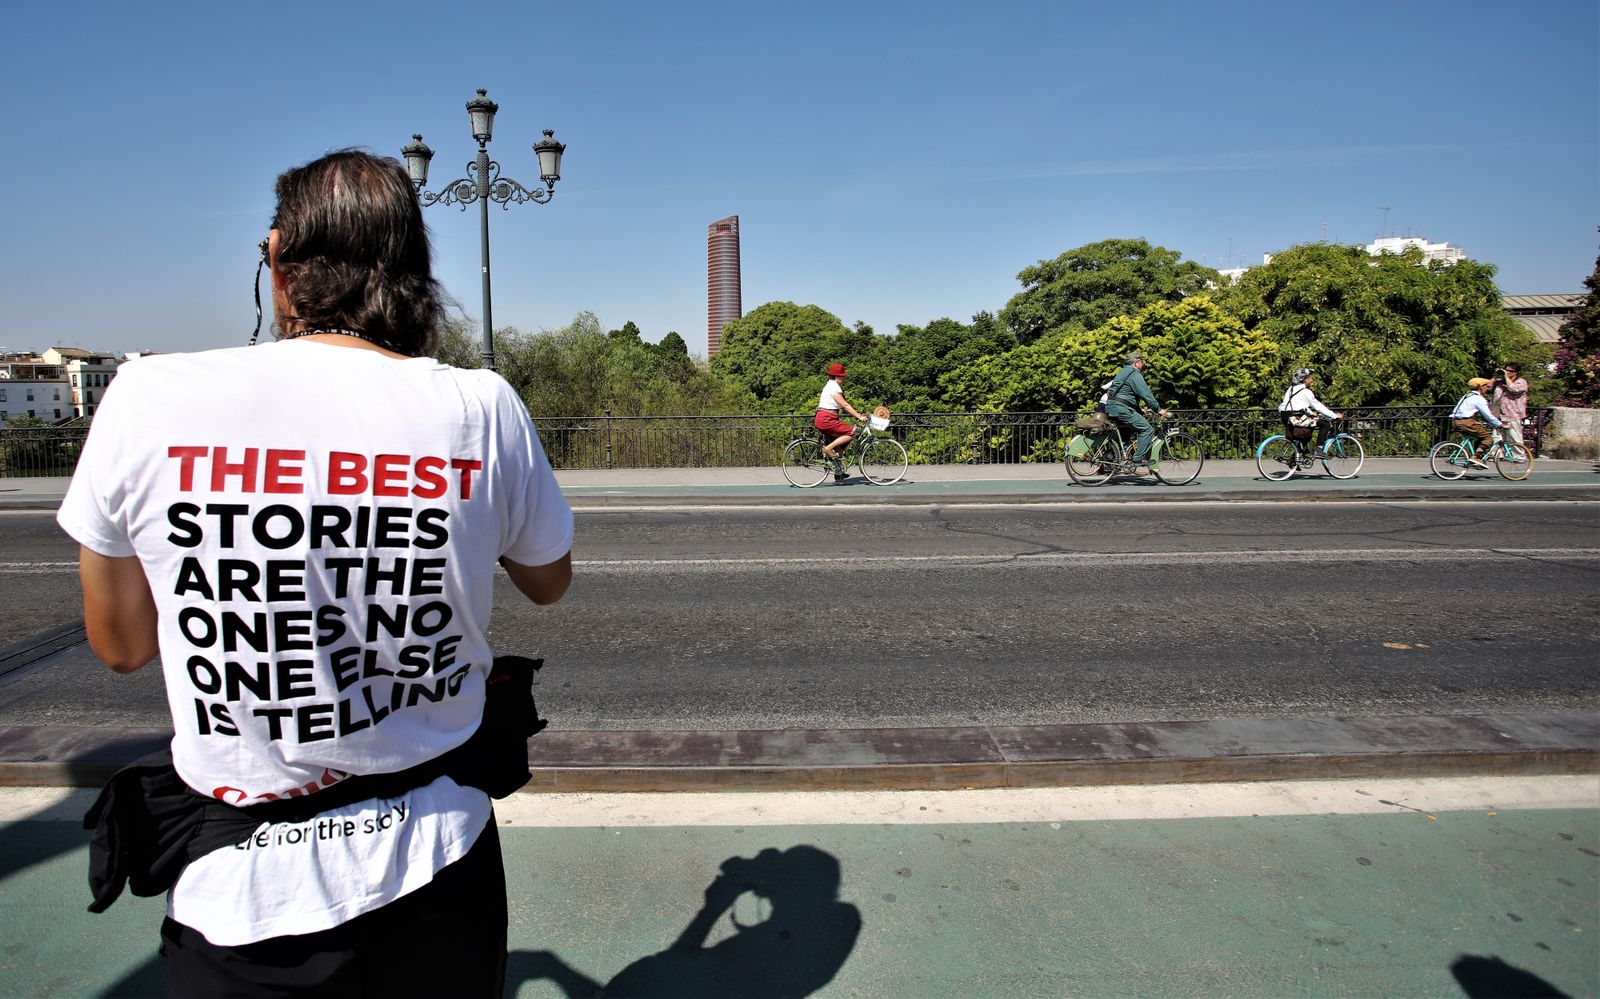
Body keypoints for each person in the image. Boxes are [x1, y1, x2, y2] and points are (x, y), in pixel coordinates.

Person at [56, 149, 574, 997]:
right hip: (439, 852)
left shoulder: (149, 394)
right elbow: (548, 580)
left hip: (241, 884)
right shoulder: (479, 404)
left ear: (277, 260)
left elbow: (119, 645)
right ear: (413, 274)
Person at [1102, 350, 1169, 472]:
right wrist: (1158, 409)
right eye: (1142, 362)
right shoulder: (1134, 374)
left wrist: (1139, 410)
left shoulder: (1124, 372)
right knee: (1147, 429)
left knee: (1126, 433)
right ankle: (1138, 458)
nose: (1143, 364)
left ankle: (1109, 459)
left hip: (1114, 407)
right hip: (1121, 409)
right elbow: (1146, 394)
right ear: (1136, 363)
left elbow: (1126, 396)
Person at [815, 362, 868, 482]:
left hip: (827, 418)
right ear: (837, 376)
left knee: (841, 445)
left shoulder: (830, 385)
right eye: (843, 376)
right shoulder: (834, 387)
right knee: (851, 433)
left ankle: (838, 472)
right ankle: (828, 449)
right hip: (826, 419)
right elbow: (844, 405)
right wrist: (859, 416)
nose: (844, 378)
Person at [1277, 368, 1344, 456]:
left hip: (1285, 415)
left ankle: (1296, 457)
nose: (1311, 380)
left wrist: (1310, 413)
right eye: (1310, 378)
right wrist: (1334, 415)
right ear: (1305, 379)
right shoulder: (1306, 392)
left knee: (1307, 433)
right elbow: (1318, 406)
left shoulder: (1290, 389)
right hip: (1297, 417)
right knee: (1325, 424)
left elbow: (1298, 404)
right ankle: (1319, 449)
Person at [1450, 377, 1507, 469]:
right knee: (1488, 438)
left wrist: (1475, 421)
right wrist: (1500, 424)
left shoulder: (1466, 396)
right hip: (1466, 422)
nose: (1487, 389)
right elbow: (1488, 415)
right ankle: (1476, 457)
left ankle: (1477, 459)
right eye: (1486, 387)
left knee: (1478, 437)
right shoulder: (1479, 399)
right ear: (1481, 387)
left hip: (1455, 421)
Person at [1491, 363, 1529, 458]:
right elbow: (1487, 386)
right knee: (1497, 436)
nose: (1507, 372)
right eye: (1506, 370)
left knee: (1514, 436)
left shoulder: (1521, 382)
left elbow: (1513, 389)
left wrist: (1506, 377)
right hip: (1498, 413)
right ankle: (1497, 455)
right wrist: (1495, 376)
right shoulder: (1500, 382)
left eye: (1510, 371)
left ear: (1516, 372)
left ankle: (1518, 456)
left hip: (1513, 414)